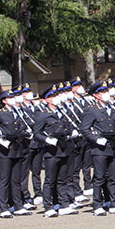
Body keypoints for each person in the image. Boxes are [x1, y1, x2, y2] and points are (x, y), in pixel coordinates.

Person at [80, 81, 115, 216]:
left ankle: (114, 203)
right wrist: (96, 139)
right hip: (99, 149)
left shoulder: (111, 107)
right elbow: (84, 129)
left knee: (113, 177)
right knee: (99, 177)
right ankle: (97, 205)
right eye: (103, 92)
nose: (106, 94)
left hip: (112, 146)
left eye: (106, 91)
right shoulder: (92, 110)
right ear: (96, 95)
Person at [33, 86, 78, 217]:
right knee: (50, 180)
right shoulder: (43, 114)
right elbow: (37, 133)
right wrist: (47, 139)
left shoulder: (61, 112)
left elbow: (66, 127)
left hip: (63, 149)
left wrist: (71, 132)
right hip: (51, 151)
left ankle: (63, 204)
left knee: (62, 179)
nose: (57, 98)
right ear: (48, 100)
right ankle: (48, 207)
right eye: (53, 96)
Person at [0, 89, 32, 218]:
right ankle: (4, 207)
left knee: (16, 179)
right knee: (4, 180)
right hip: (5, 151)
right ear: (4, 101)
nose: (13, 99)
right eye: (10, 98)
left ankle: (18, 206)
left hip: (17, 149)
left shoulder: (17, 112)